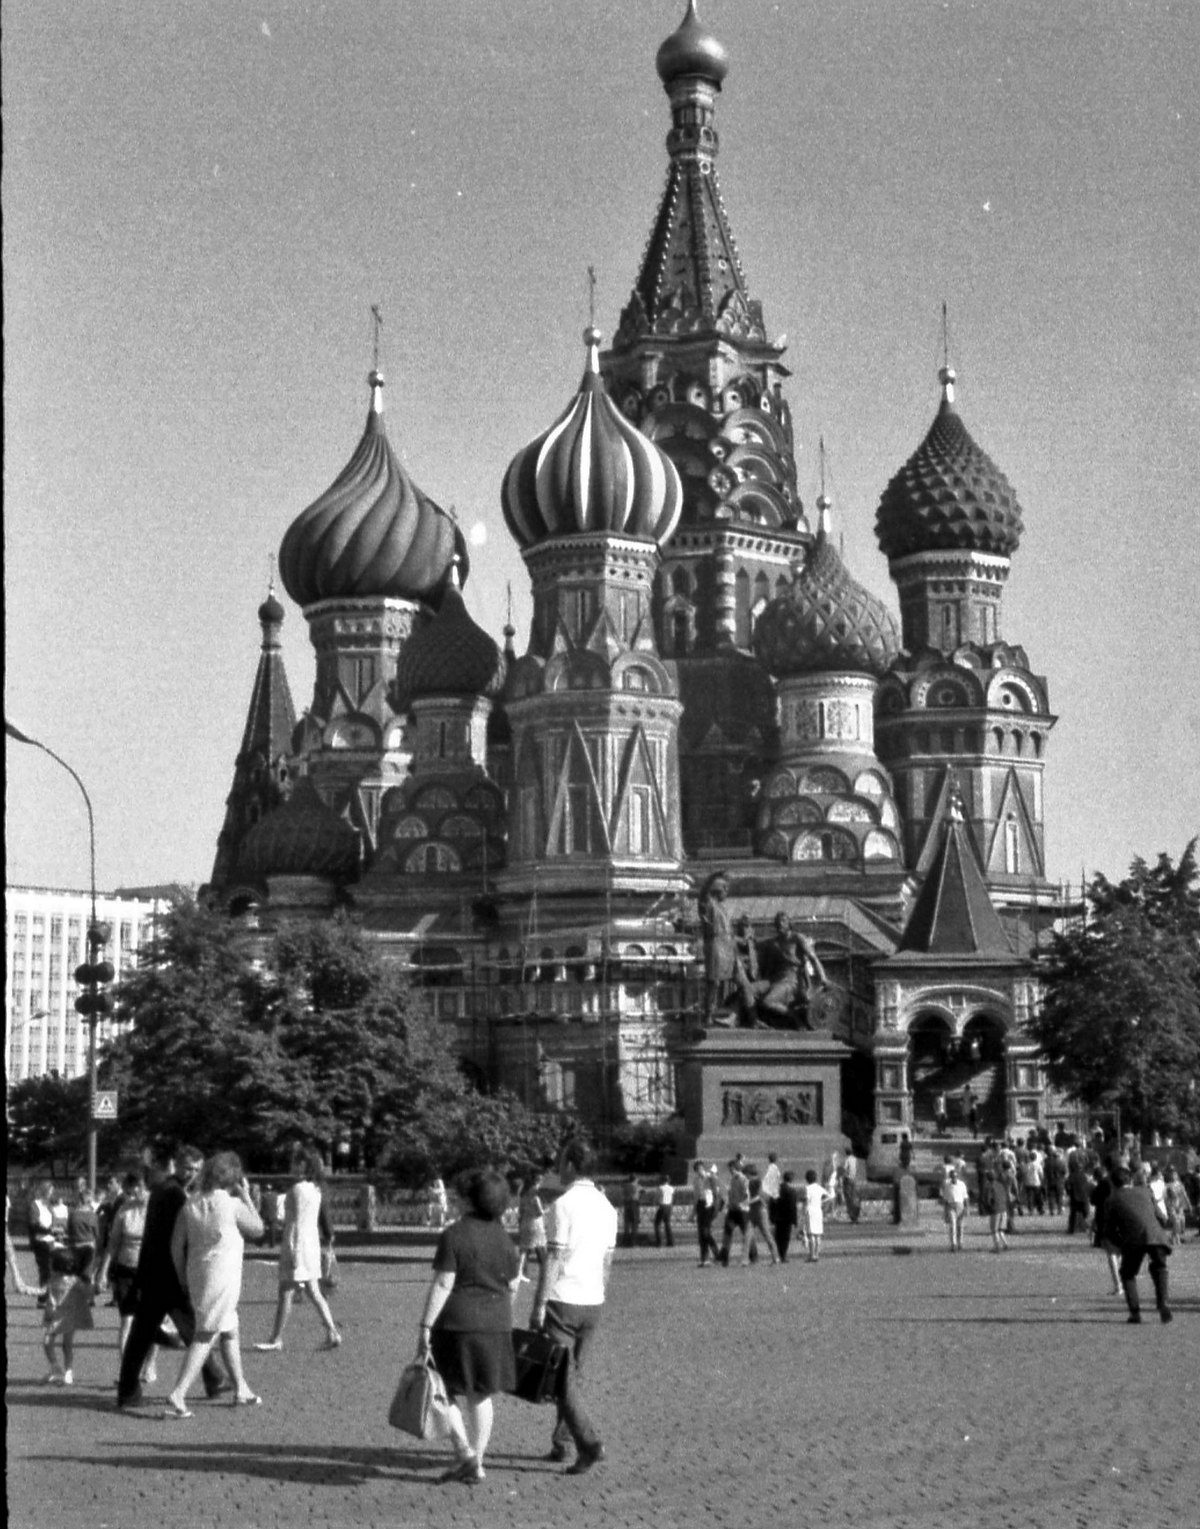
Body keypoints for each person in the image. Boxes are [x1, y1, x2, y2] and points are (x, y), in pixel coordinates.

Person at [418, 1167, 519, 1485]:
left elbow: (444, 1283)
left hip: (457, 1323)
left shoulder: (454, 1234)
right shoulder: (505, 1239)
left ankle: (463, 1451)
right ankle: (479, 1459)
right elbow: (513, 1285)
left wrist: (425, 1324)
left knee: (442, 1389)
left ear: (469, 1201)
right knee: (481, 1393)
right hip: (496, 1322)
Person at [116, 1144, 230, 1409]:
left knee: (150, 1333)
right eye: (188, 1168)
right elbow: (181, 1238)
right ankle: (213, 1378)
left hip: (155, 1271)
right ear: (176, 1165)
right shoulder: (176, 1195)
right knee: (185, 1329)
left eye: (197, 1169)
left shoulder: (164, 1190)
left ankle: (129, 1390)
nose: (192, 1173)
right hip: (168, 1273)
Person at [531, 1138, 618, 1475]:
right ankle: (562, 1443)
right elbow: (607, 1262)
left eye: (561, 1160)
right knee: (571, 1375)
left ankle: (588, 1443)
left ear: (570, 1165)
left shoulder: (562, 1205)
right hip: (593, 1300)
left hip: (563, 1300)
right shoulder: (607, 1207)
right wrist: (599, 1294)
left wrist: (539, 1304)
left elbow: (554, 1257)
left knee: (559, 1379)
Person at [165, 1150, 264, 1417]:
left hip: (197, 1274)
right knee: (206, 1334)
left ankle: (241, 1388)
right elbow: (258, 1229)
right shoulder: (230, 1204)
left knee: (229, 1329)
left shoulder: (191, 1204)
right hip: (223, 1276)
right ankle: (179, 1392)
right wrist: (247, 1198)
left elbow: (176, 1246)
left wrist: (182, 1277)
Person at [254, 1151, 341, 1352]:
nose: (292, 1167)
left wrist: (292, 1250)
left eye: (296, 1163)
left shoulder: (296, 1190)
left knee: (285, 1292)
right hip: (311, 1244)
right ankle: (332, 1331)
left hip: (297, 1244)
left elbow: (294, 1223)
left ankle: (276, 1338)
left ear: (304, 1166)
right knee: (314, 1291)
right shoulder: (316, 1189)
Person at [95, 1169, 161, 1382]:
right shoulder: (124, 1210)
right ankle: (128, 1372)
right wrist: (103, 1272)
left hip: (151, 1271)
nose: (135, 1194)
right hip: (125, 1270)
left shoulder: (158, 1209)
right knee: (127, 1322)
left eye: (139, 1189)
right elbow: (113, 1244)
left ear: (148, 1187)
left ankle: (149, 1365)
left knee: (152, 1323)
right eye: (132, 1190)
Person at [1101, 1165, 1173, 1324]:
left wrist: (1120, 1244)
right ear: (1131, 1180)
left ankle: (1135, 1313)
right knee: (1160, 1268)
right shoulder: (1145, 1191)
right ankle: (1164, 1303)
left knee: (1127, 1273)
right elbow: (1161, 1216)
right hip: (1156, 1236)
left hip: (1134, 1239)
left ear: (1113, 1184)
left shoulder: (1112, 1200)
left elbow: (1109, 1229)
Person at [41, 1246, 94, 1385]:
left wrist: (93, 1287)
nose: (50, 1267)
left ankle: (68, 1370)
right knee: (51, 1342)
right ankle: (56, 1367)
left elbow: (87, 1293)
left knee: (62, 1344)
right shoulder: (53, 1280)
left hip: (66, 1316)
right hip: (57, 1316)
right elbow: (48, 1295)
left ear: (59, 1265)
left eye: (52, 1264)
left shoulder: (73, 1281)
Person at [718, 1158, 754, 1266]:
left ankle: (753, 1256)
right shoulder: (732, 1179)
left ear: (735, 1168)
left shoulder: (743, 1180)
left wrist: (741, 1205)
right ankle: (725, 1259)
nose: (729, 1170)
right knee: (727, 1233)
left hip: (742, 1211)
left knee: (746, 1234)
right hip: (733, 1210)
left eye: (731, 1168)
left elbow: (747, 1196)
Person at [516, 1169, 548, 1282]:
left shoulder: (523, 1197)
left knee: (524, 1250)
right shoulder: (536, 1198)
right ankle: (546, 1272)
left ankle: (519, 1272)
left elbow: (520, 1211)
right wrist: (546, 1210)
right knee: (542, 1248)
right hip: (536, 1224)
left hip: (525, 1223)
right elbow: (539, 1212)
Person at [28, 1180, 57, 1298]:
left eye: (52, 1192)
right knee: (45, 1269)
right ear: (44, 1191)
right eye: (49, 1192)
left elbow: (53, 1221)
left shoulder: (49, 1206)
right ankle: (43, 1296)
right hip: (40, 1240)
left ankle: (48, 1295)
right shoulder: (35, 1205)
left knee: (51, 1269)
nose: (51, 1194)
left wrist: (55, 1230)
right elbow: (33, 1224)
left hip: (50, 1240)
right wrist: (47, 1230)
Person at [66, 1181, 100, 1279]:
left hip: (75, 1246)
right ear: (89, 1201)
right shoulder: (93, 1216)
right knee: (87, 1273)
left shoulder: (73, 1215)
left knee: (76, 1273)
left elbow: (69, 1231)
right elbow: (96, 1234)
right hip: (89, 1246)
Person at [690, 1160, 720, 1267]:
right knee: (701, 1233)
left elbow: (717, 1193)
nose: (700, 1171)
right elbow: (696, 1197)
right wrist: (693, 1213)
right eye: (697, 1169)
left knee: (705, 1231)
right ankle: (704, 1258)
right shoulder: (696, 1180)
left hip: (709, 1206)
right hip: (700, 1205)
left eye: (701, 1168)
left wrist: (716, 1209)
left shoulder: (710, 1178)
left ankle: (717, 1254)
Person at [801, 1169, 834, 1261]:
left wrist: (803, 1211)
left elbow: (807, 1201)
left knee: (811, 1234)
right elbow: (830, 1196)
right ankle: (816, 1254)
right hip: (818, 1211)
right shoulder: (819, 1188)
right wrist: (822, 1202)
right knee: (818, 1234)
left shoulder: (807, 1188)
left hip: (810, 1211)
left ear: (807, 1179)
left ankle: (812, 1255)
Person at [746, 1170, 778, 1264]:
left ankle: (775, 1257)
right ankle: (745, 1259)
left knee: (767, 1234)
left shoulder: (758, 1183)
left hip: (760, 1212)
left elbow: (761, 1197)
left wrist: (747, 1202)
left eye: (747, 1175)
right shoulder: (749, 1184)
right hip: (752, 1211)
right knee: (748, 1235)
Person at [941, 1166, 969, 1252]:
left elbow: (965, 1197)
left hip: (960, 1205)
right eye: (952, 1177)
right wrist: (945, 1210)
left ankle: (960, 1242)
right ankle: (953, 1243)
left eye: (955, 1176)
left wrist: (966, 1208)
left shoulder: (962, 1184)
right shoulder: (947, 1185)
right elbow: (945, 1198)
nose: (954, 1178)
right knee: (953, 1225)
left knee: (960, 1226)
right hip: (951, 1205)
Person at [1163, 1167, 1192, 1246]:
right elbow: (1165, 1197)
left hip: (1179, 1205)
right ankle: (1176, 1239)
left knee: (1182, 1222)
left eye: (1175, 1175)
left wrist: (1189, 1205)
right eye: (1172, 1175)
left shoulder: (1180, 1185)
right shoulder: (1167, 1186)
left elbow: (1185, 1195)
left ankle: (1174, 1236)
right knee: (1176, 1222)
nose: (1174, 1176)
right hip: (1171, 1206)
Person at [775, 1171, 800, 1262]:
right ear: (792, 1180)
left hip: (778, 1217)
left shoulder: (777, 1189)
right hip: (787, 1218)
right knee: (785, 1237)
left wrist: (772, 1215)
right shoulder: (792, 1191)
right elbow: (793, 1207)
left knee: (778, 1236)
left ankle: (778, 1253)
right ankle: (783, 1255)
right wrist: (795, 1220)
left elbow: (772, 1203)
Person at [652, 1174, 675, 1249]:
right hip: (669, 1206)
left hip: (662, 1206)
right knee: (667, 1224)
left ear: (662, 1181)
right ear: (668, 1181)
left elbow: (656, 1197)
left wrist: (654, 1203)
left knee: (657, 1224)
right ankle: (670, 1241)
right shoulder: (671, 1188)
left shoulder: (660, 1188)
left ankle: (659, 1242)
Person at [620, 1174, 641, 1248]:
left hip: (626, 1204)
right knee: (634, 1223)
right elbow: (643, 1191)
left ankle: (625, 1241)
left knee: (627, 1223)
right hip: (634, 1204)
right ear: (635, 1179)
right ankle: (633, 1242)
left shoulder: (625, 1186)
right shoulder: (637, 1186)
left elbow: (622, 1190)